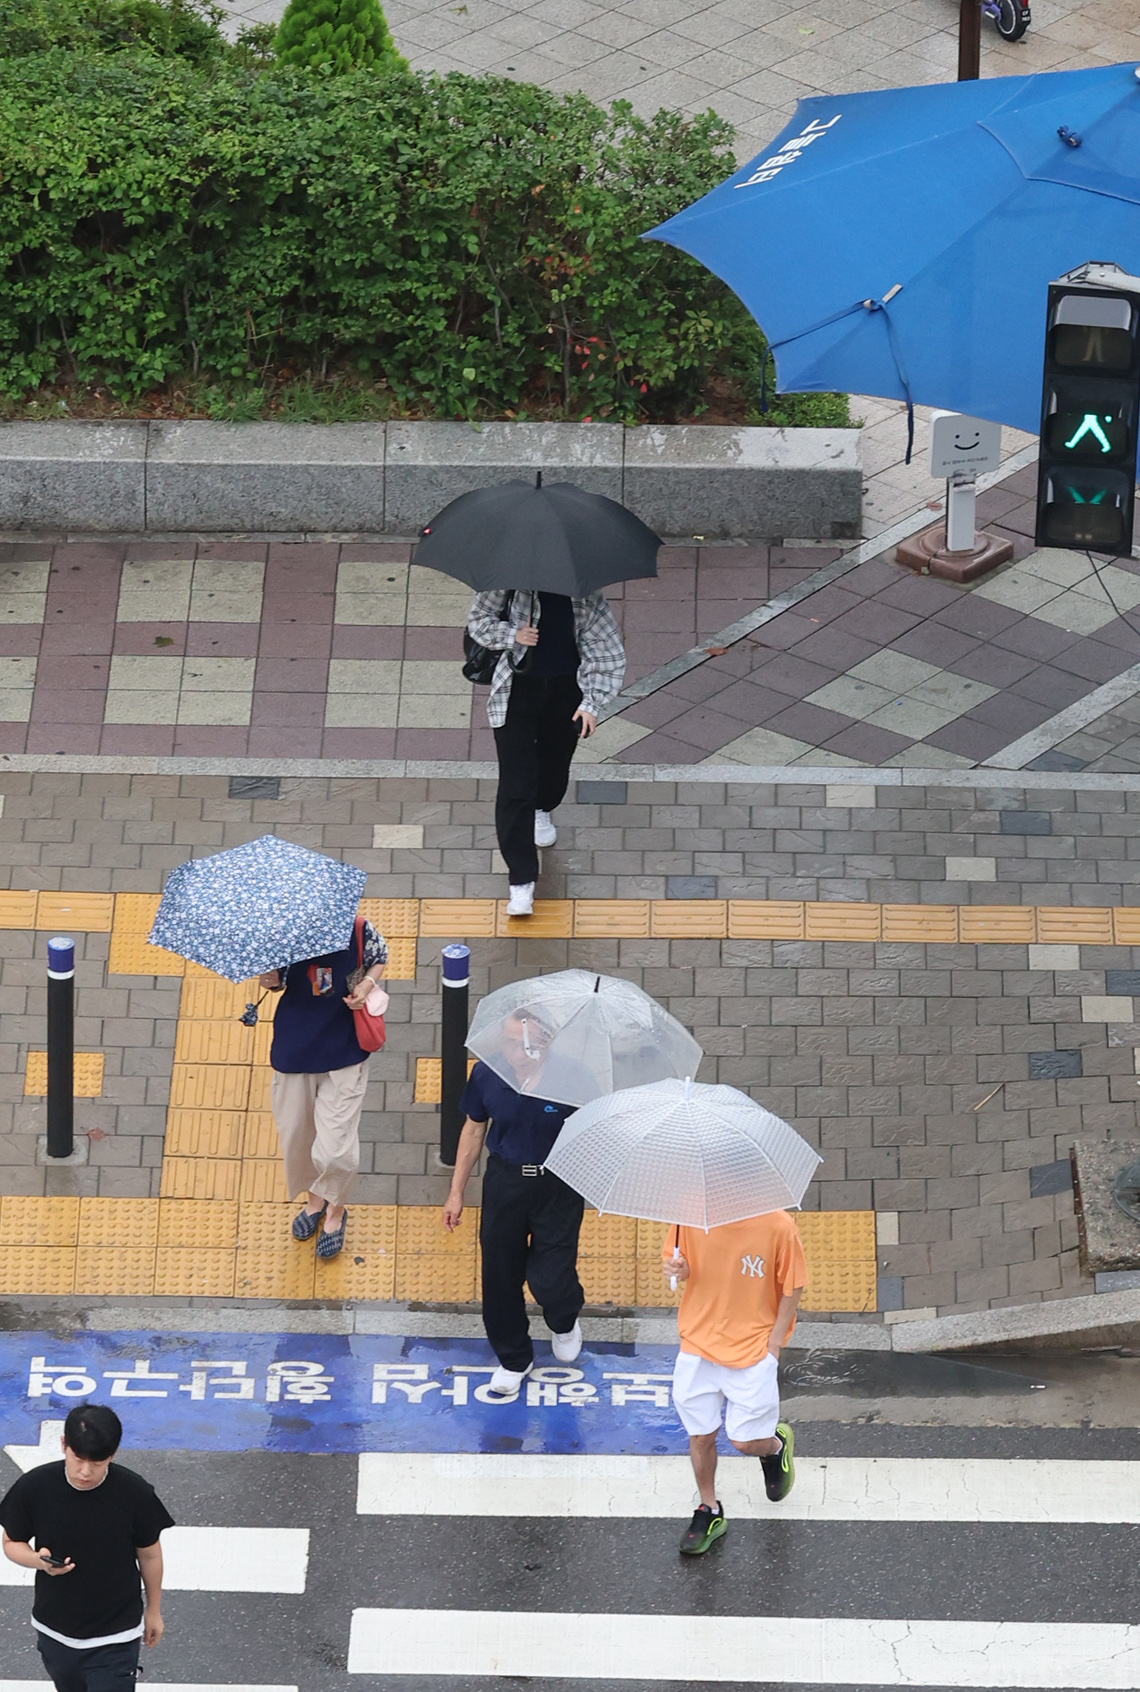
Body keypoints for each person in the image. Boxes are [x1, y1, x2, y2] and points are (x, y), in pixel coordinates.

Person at [442, 1008, 585, 1395]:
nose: (512, 1050)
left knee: (550, 1276)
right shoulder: (488, 1074)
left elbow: (594, 1131)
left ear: (545, 1042)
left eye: (521, 1042)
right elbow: (473, 1131)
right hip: (505, 1182)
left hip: (558, 1185)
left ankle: (564, 1317)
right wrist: (456, 1192)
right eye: (506, 1040)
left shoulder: (573, 1078)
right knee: (499, 1274)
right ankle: (513, 1357)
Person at [467, 587, 625, 918]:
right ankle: (521, 880)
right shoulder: (508, 582)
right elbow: (478, 622)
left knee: (555, 767)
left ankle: (544, 806)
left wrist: (591, 703)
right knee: (515, 785)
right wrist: (514, 635)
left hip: (566, 693)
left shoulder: (585, 593)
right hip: (516, 691)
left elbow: (606, 651)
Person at [0, 1402, 174, 1691]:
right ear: (64, 1444)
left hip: (116, 1635)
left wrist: (153, 1609)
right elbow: (10, 1542)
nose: (85, 1471)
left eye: (97, 1463)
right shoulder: (34, 1487)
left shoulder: (135, 1493)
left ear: (113, 1455)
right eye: (77, 1458)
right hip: (55, 1631)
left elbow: (150, 1554)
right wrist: (37, 1560)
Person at [663, 1208, 807, 1556]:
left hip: (753, 1346)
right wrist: (677, 1270)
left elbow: (794, 1284)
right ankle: (709, 1510)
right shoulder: (689, 1214)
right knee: (700, 1435)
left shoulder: (778, 1225)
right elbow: (677, 1263)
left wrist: (774, 1344)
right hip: (698, 1342)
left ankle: (774, 1448)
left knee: (744, 1441)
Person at [260, 915, 388, 1259]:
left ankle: (335, 1210)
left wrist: (367, 986)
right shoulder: (280, 933)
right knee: (297, 1138)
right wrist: (270, 980)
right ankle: (314, 1199)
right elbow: (276, 983)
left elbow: (378, 958)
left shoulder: (359, 929)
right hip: (294, 1052)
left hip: (345, 1052)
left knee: (335, 1149)